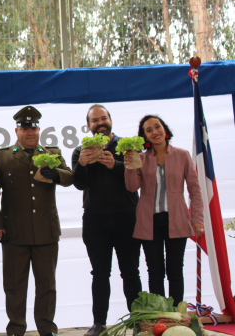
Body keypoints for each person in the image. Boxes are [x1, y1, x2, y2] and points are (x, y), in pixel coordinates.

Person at [0, 106, 73, 336]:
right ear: (16, 130)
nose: (30, 132)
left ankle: (47, 328)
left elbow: (70, 176)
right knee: (15, 286)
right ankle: (16, 328)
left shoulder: (51, 153)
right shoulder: (3, 155)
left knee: (47, 285)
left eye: (33, 128)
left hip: (46, 231)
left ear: (39, 130)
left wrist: (57, 174)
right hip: (14, 232)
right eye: (25, 128)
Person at [71, 104, 141, 336]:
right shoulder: (81, 150)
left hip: (127, 217)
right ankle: (99, 323)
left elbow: (137, 178)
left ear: (110, 120)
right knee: (99, 273)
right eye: (95, 120)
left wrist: (116, 165)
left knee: (130, 271)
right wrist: (81, 164)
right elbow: (79, 184)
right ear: (89, 125)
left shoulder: (127, 146)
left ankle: (138, 320)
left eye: (104, 118)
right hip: (95, 219)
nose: (100, 123)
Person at [124, 115, 204, 306]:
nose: (154, 132)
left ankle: (176, 315)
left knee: (175, 270)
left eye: (157, 127)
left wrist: (197, 219)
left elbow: (195, 189)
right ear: (145, 137)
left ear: (165, 129)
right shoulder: (141, 158)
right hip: (149, 221)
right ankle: (159, 315)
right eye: (149, 130)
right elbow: (132, 187)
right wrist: (129, 165)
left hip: (176, 219)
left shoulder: (182, 155)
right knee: (155, 271)